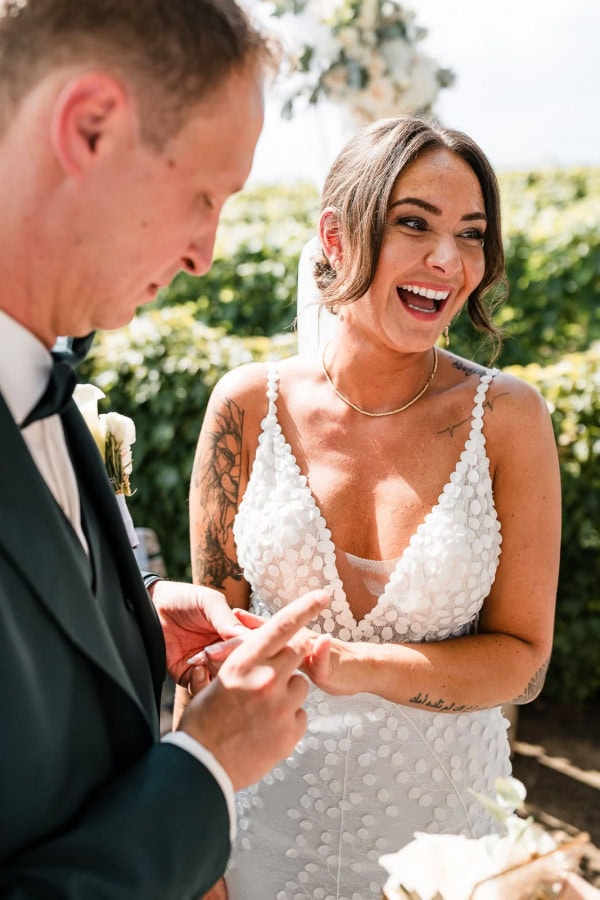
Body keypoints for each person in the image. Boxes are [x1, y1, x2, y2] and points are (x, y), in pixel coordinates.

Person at [0, 1, 331, 897]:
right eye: (204, 197)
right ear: (91, 126)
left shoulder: (45, 379)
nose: (206, 255)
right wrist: (203, 770)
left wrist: (137, 619)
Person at [188, 115, 562, 898]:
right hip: (263, 832)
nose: (447, 260)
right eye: (413, 223)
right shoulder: (247, 408)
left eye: (471, 234)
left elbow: (522, 659)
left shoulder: (510, 420)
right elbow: (203, 661)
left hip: (446, 844)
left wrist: (360, 667)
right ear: (335, 234)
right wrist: (201, 854)